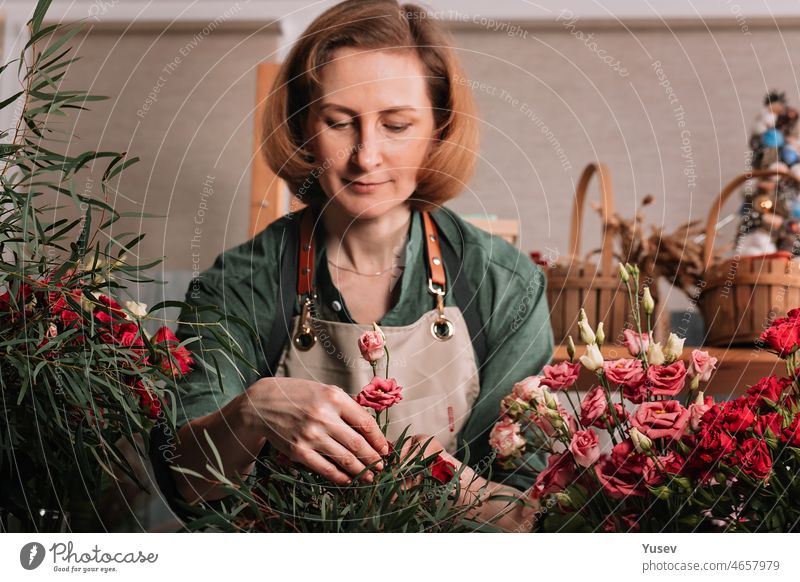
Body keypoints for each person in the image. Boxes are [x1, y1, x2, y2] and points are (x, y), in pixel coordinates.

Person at [156, 0, 554, 531]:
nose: (367, 157)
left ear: (439, 129)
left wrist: (426, 479)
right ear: (303, 130)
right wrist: (252, 412)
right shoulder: (236, 286)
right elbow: (186, 482)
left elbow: (529, 508)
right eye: (340, 123)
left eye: (396, 125)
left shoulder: (506, 285)